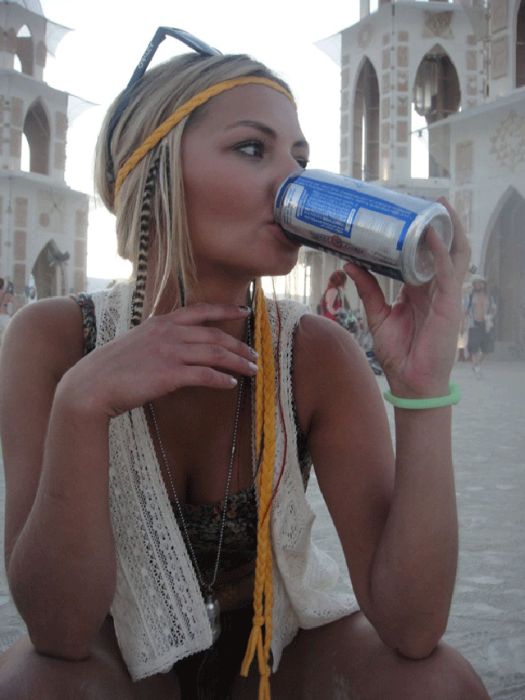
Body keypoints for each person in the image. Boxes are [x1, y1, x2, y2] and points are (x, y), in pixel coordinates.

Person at [0, 28, 490, 700]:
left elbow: (411, 628)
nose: (291, 180)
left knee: (438, 684)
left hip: (275, 654)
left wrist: (422, 388)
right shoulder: (53, 340)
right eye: (252, 148)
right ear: (156, 167)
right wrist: (82, 404)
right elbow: (57, 630)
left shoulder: (314, 353)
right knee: (35, 685)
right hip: (116, 658)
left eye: (300, 157)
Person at [465, 275, 497, 375]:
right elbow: (465, 310)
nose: (478, 285)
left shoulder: (490, 297)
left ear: (484, 284)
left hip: (486, 324)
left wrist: (490, 316)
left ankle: (478, 363)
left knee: (487, 348)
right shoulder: (470, 296)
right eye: (476, 283)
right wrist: (464, 322)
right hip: (474, 324)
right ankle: (475, 366)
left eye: (480, 283)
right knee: (473, 347)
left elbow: (494, 309)